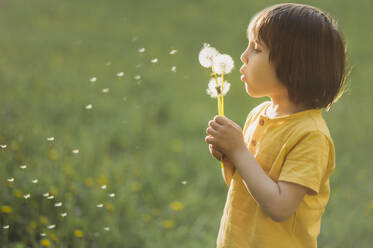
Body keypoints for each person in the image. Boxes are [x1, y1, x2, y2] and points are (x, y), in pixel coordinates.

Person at [205, 3, 348, 248]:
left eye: (257, 48)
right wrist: (229, 158)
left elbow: (280, 207)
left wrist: (239, 151)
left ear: (294, 67)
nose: (244, 56)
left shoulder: (311, 136)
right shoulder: (259, 114)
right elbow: (243, 185)